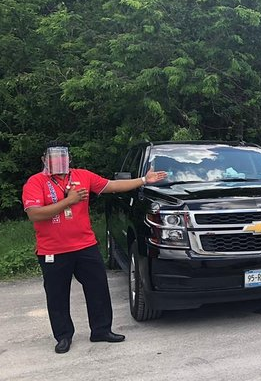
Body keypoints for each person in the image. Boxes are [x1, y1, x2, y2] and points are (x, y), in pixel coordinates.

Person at [21, 141, 167, 353]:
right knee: (57, 295)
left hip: (85, 245)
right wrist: (68, 201)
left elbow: (112, 185)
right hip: (53, 249)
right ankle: (63, 336)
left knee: (98, 288)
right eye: (52, 156)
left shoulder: (82, 176)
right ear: (44, 159)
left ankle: (101, 330)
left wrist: (144, 179)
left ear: (69, 159)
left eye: (63, 156)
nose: (59, 160)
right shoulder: (36, 182)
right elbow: (34, 214)